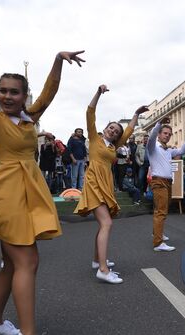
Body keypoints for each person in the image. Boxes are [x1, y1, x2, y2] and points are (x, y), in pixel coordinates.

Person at [0, 28, 84, 335]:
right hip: (7, 193)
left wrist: (57, 60)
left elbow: (49, 93)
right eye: (4, 91)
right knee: (28, 261)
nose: (8, 96)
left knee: (12, 264)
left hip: (25, 191)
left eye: (15, 92)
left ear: (24, 95)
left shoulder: (29, 118)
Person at [74, 84, 144, 284]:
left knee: (103, 223)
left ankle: (98, 261)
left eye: (116, 131)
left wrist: (135, 114)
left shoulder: (115, 146)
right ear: (105, 128)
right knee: (106, 223)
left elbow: (129, 131)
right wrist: (98, 93)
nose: (113, 131)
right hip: (94, 183)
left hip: (105, 184)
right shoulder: (95, 139)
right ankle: (103, 270)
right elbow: (90, 112)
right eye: (111, 128)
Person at [148, 117, 185, 252]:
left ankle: (157, 233)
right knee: (161, 211)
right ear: (159, 134)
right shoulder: (153, 147)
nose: (167, 136)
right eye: (165, 133)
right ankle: (158, 243)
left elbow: (182, 151)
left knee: (161, 210)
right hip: (158, 182)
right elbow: (151, 138)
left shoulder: (168, 151)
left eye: (169, 134)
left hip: (168, 182)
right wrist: (158, 123)